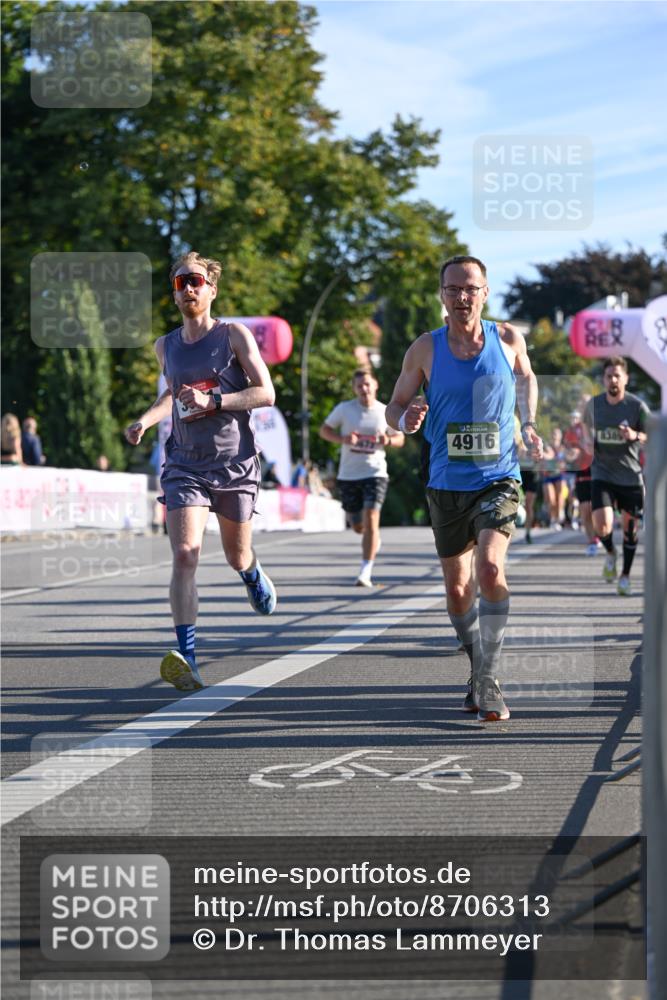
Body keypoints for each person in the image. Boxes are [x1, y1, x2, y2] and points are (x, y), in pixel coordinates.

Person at [385, 255, 543, 722]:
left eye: (470, 288)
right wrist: (407, 418)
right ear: (442, 296)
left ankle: (490, 679)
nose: (462, 297)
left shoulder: (508, 338)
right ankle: (478, 667)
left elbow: (527, 376)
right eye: (453, 289)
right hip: (446, 483)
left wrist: (529, 421)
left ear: (485, 293)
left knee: (490, 569)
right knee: (458, 591)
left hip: (498, 476)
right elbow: (393, 406)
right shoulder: (425, 349)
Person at [125, 251, 277, 691]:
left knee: (235, 555)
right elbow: (171, 395)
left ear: (212, 289)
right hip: (185, 464)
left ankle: (251, 573)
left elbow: (265, 392)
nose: (187, 288)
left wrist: (217, 402)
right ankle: (187, 658)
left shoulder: (234, 336)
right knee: (185, 554)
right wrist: (145, 421)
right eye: (179, 283)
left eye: (195, 280)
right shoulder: (165, 345)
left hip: (234, 463)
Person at [319, 369, 404, 587]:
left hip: (375, 472)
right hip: (348, 475)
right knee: (358, 525)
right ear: (354, 389)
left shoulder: (385, 411)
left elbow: (400, 439)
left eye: (367, 384)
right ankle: (371, 538)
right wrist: (343, 438)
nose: (364, 389)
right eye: (359, 386)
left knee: (371, 517)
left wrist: (387, 440)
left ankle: (365, 572)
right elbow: (324, 430)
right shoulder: (345, 409)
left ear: (375, 385)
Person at [582, 356, 649, 597]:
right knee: (602, 524)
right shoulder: (595, 405)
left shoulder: (637, 406)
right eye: (609, 375)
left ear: (626, 379)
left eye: (617, 375)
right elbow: (584, 426)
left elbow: (651, 435)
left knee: (631, 531)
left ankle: (625, 576)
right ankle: (610, 552)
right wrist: (588, 440)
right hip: (602, 472)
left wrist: (634, 435)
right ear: (603, 379)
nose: (613, 379)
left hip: (630, 476)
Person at [563, 407, 599, 554]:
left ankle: (599, 534)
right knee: (585, 510)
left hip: (598, 473)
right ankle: (592, 540)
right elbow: (570, 452)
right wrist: (570, 456)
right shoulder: (572, 431)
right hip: (582, 473)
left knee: (597, 511)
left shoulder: (598, 426)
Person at [540, 427, 567, 529]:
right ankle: (553, 519)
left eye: (557, 434)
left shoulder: (563, 448)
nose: (555, 436)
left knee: (560, 497)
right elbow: (544, 457)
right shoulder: (547, 447)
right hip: (548, 475)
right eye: (553, 434)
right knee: (551, 499)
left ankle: (559, 514)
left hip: (560, 475)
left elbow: (567, 461)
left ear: (560, 436)